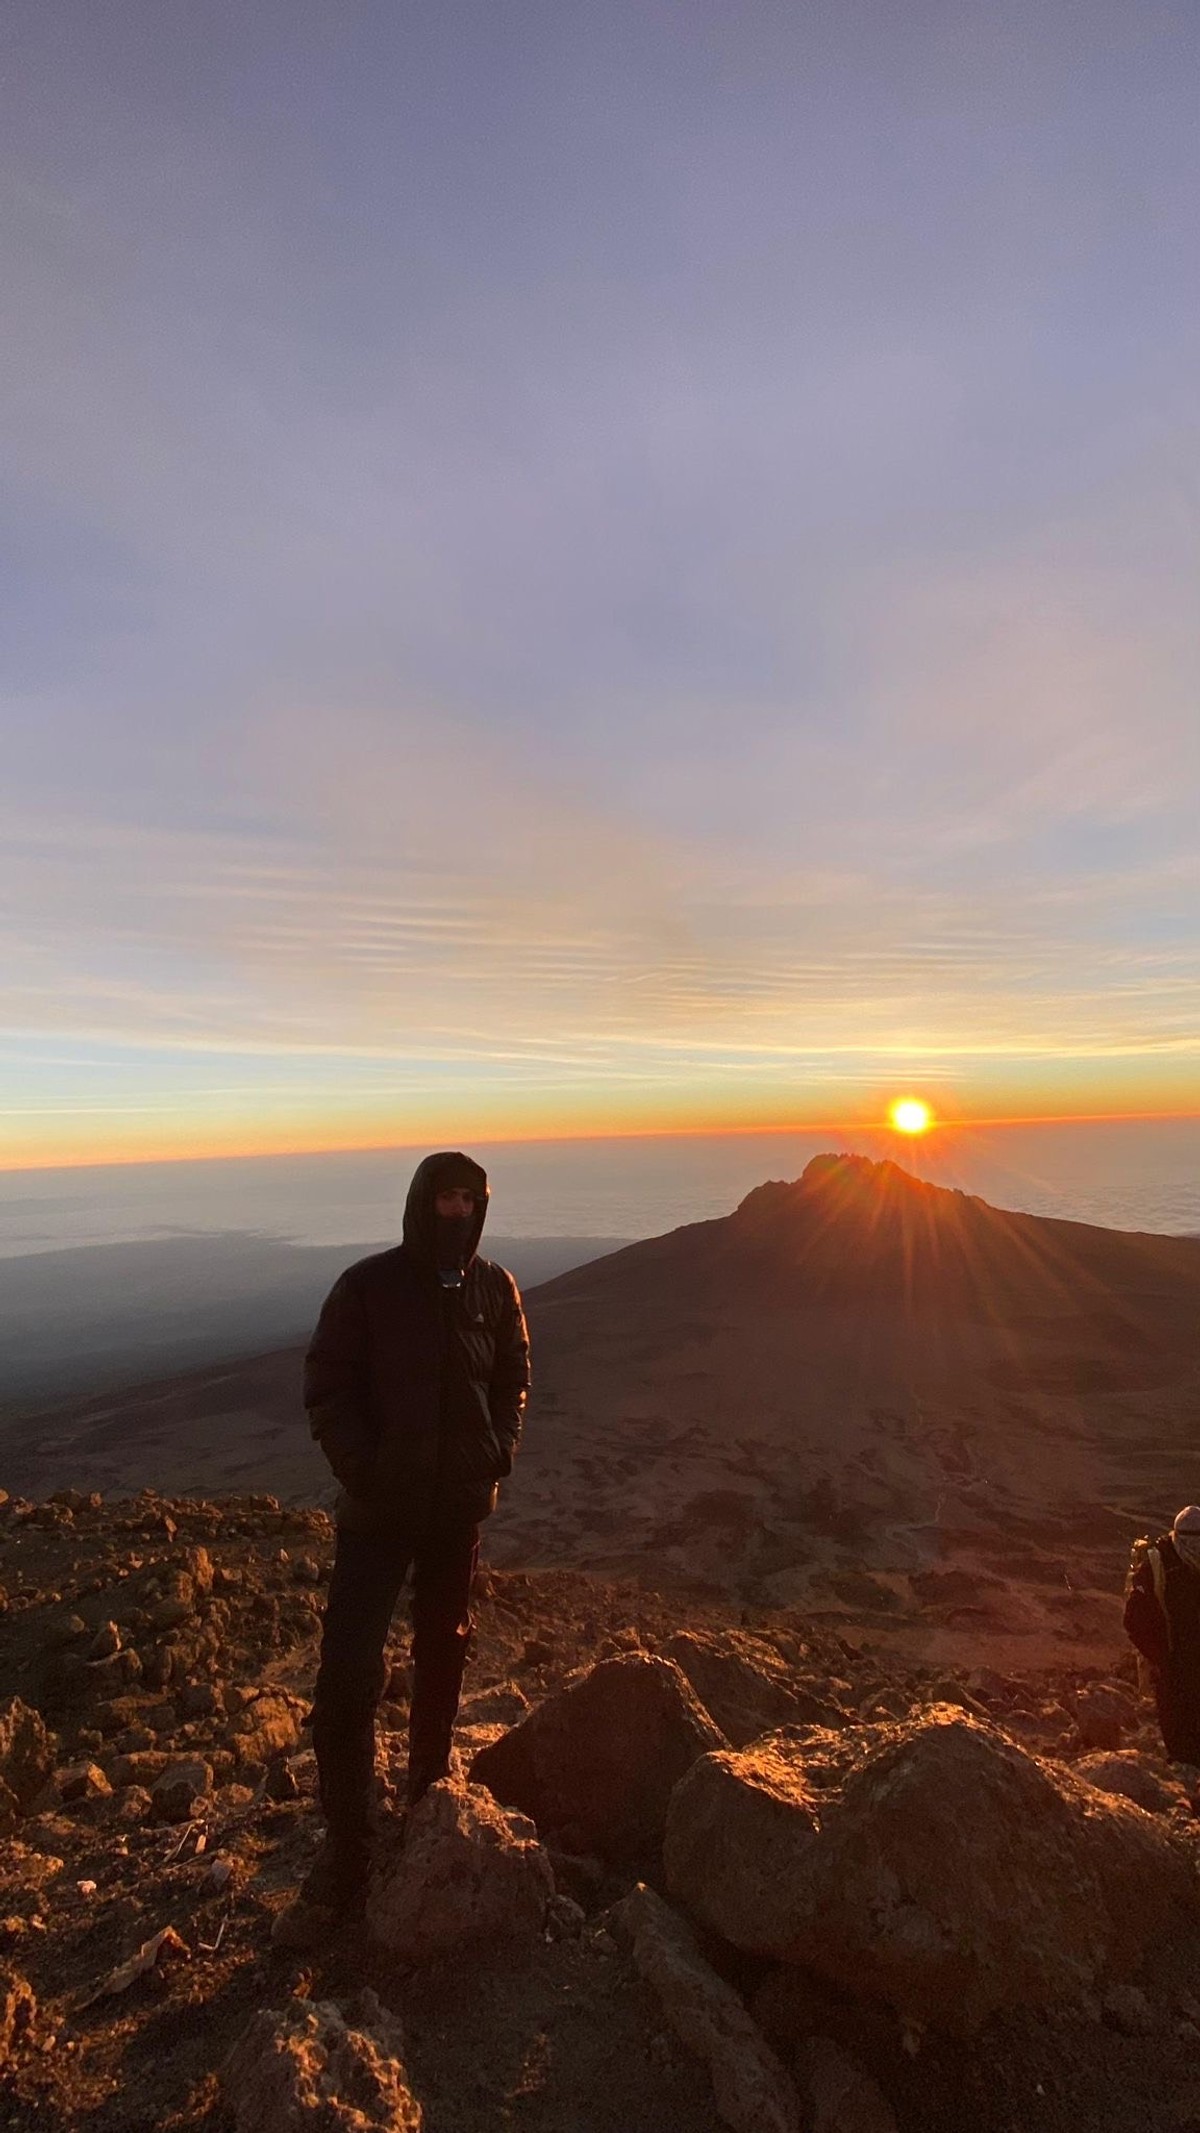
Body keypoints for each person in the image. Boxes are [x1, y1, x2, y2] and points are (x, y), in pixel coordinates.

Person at [273, 1150, 530, 1948]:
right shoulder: (367, 1286)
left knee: (444, 1647)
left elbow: (513, 1377)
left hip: (456, 1510)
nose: (457, 1211)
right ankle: (349, 1845)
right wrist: (369, 1472)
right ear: (422, 1202)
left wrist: (497, 1452)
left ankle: (427, 1788)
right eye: (445, 1197)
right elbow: (328, 1386)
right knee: (348, 1672)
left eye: (469, 1199)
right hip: (379, 1514)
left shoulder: (495, 1288)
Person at [1123, 1505, 1200, 1764]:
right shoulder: (1157, 1566)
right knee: (1181, 1741)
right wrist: (1163, 1660)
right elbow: (1134, 1619)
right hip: (1174, 1670)